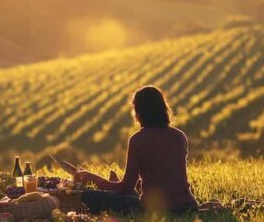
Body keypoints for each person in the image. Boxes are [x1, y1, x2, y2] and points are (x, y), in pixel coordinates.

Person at [75, 85, 198, 214]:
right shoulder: (179, 136)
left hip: (155, 210)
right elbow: (164, 174)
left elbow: (126, 188)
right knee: (130, 196)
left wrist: (93, 178)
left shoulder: (138, 140)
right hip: (188, 206)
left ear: (138, 112)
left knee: (88, 196)